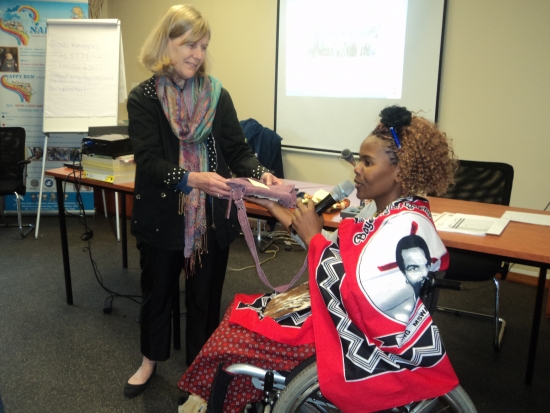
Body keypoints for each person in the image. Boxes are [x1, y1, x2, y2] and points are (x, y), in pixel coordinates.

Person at [177, 105, 460, 413]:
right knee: (242, 313)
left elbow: (358, 295)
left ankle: (218, 398)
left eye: (367, 162)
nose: (356, 169)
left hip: (353, 338)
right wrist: (275, 207)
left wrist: (314, 237)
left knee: (233, 339)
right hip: (340, 317)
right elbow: (337, 253)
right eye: (359, 160)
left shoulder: (402, 227)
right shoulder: (386, 213)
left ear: (400, 171)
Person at [124, 4, 281, 399]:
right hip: (162, 216)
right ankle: (149, 360)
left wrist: (261, 173)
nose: (197, 53)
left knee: (205, 298)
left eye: (204, 45)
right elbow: (148, 159)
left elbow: (237, 150)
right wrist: (191, 178)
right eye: (189, 43)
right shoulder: (144, 97)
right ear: (167, 43)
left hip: (210, 218)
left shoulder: (216, 94)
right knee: (157, 291)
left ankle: (201, 369)